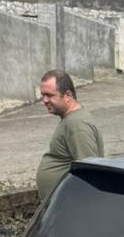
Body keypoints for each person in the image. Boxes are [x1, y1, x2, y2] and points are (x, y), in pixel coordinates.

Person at [36, 69, 104, 200]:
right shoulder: (71, 120)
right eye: (42, 95)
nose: (44, 100)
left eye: (49, 95)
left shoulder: (77, 125)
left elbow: (91, 174)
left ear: (67, 95)